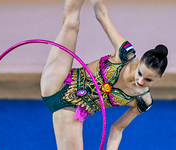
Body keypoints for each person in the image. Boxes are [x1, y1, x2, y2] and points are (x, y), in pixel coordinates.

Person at [40, 0, 168, 149]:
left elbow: (117, 128)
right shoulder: (125, 53)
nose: (140, 80)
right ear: (139, 63)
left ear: (160, 77)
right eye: (140, 73)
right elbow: (102, 15)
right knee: (70, 23)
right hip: (57, 81)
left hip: (70, 112)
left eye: (148, 80)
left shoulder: (143, 101)